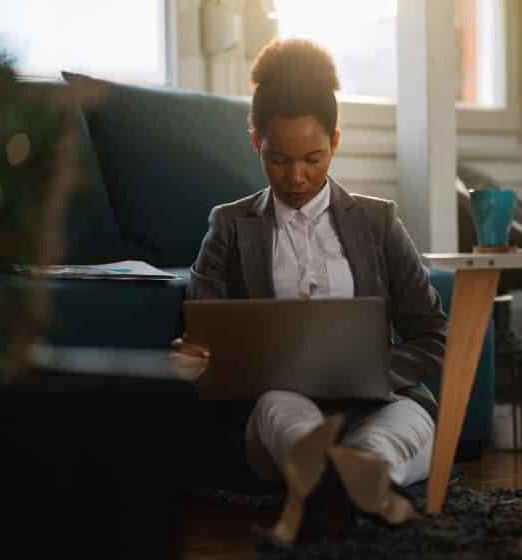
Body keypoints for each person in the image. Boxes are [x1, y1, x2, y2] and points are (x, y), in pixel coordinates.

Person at [176, 38, 447, 540]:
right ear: (256, 143)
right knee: (281, 408)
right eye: (279, 159)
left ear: (336, 142)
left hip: (381, 399)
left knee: (396, 431)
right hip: (280, 407)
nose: (297, 177)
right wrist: (195, 354)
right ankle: (342, 486)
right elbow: (204, 326)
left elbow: (433, 335)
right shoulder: (230, 226)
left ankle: (346, 482)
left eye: (313, 158)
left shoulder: (379, 221)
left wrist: (373, 374)